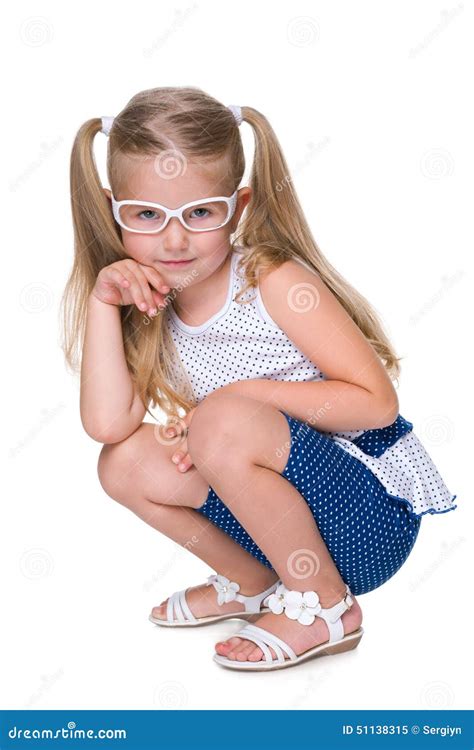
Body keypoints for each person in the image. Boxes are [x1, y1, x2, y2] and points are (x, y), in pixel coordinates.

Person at [61, 86, 457, 672]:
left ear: (237, 207)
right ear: (112, 208)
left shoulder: (271, 280)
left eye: (200, 213)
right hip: (270, 527)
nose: (173, 240)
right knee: (122, 462)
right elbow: (106, 424)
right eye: (146, 215)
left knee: (222, 422)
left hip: (365, 521)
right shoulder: (146, 296)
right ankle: (251, 582)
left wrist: (236, 401)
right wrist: (101, 301)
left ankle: (326, 605)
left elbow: (376, 404)